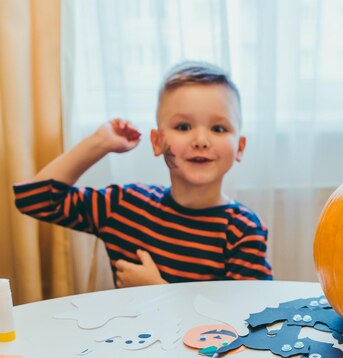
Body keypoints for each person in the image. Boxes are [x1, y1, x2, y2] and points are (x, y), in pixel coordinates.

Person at [13, 61, 273, 287]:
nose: (201, 140)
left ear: (239, 147)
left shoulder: (242, 230)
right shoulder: (125, 206)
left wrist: (158, 289)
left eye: (218, 128)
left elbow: (247, 321)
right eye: (183, 126)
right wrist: (99, 143)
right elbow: (33, 199)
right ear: (157, 141)